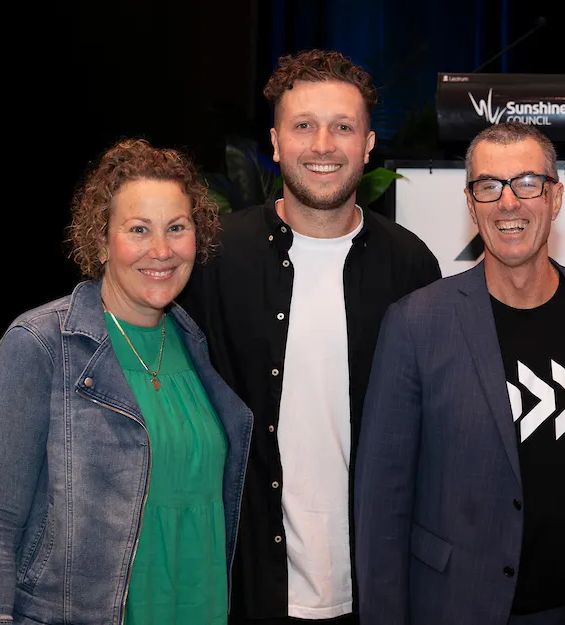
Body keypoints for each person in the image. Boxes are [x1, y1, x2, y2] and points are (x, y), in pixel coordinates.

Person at [179, 49, 441, 624]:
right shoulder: (214, 258)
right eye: (304, 126)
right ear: (275, 142)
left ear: (368, 145)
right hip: (243, 590)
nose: (323, 145)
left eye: (342, 127)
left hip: (375, 590)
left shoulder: (412, 267)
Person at [354, 121, 565, 625]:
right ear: (471, 205)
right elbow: (382, 500)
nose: (508, 202)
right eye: (488, 186)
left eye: (528, 183)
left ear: (556, 197)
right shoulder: (416, 322)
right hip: (456, 606)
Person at [0, 138, 253, 624]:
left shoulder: (196, 344)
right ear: (100, 239)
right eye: (138, 229)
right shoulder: (40, 345)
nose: (161, 250)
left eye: (177, 228)